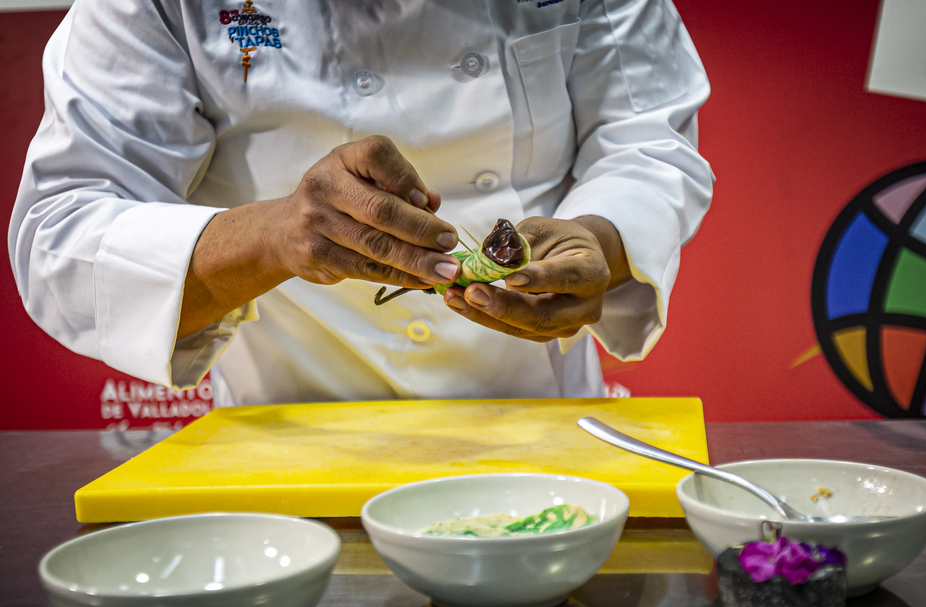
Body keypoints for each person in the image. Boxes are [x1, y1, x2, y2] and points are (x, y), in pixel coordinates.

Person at [9, 0, 713, 407]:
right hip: (283, 444)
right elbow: (61, 230)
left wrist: (602, 235)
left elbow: (648, 139)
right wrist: (272, 236)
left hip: (538, 418)